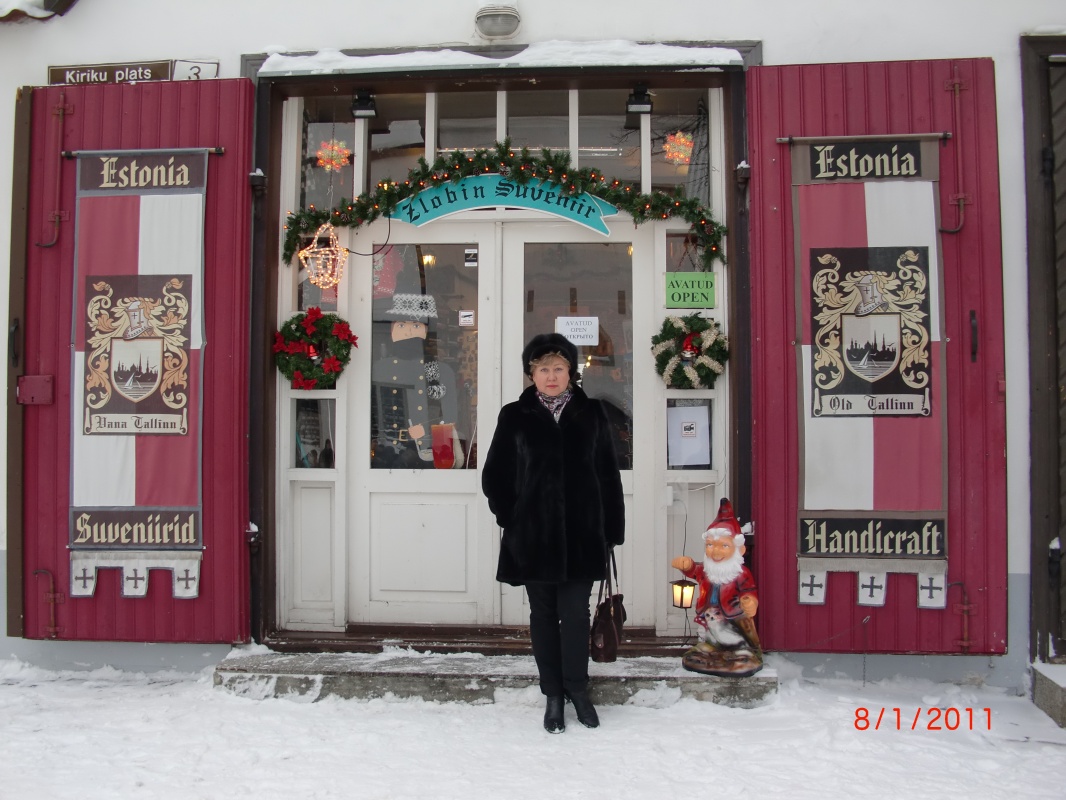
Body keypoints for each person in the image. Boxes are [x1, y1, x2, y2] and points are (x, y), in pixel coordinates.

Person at [482, 333, 625, 733]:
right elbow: (496, 475)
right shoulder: (515, 415)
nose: (551, 376)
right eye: (543, 368)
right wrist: (513, 517)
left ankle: (577, 689)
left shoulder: (593, 413)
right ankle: (553, 695)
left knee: (575, 615)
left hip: (583, 536)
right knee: (543, 615)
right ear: (531, 373)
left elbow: (608, 475)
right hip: (534, 538)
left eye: (558, 368)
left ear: (571, 372)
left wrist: (611, 529)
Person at [670, 498, 762, 677]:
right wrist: (687, 565)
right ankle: (712, 647)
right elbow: (695, 571)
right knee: (711, 636)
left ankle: (742, 652)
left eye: (724, 546)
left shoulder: (740, 573)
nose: (715, 551)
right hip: (710, 617)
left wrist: (750, 601)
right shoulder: (707, 570)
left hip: (733, 619)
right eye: (710, 545)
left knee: (734, 637)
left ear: (739, 550)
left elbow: (749, 591)